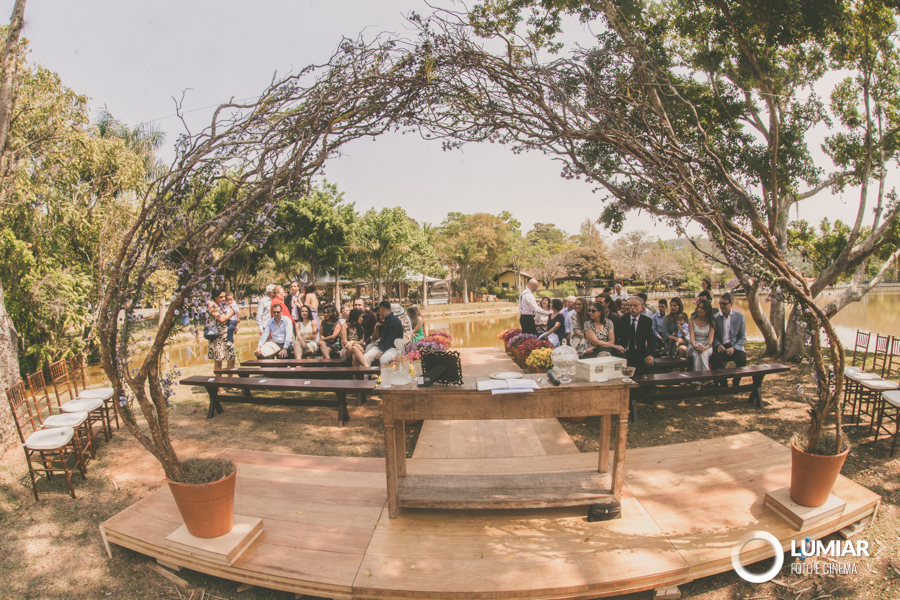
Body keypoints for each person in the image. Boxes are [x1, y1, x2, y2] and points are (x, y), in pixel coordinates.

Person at [711, 292, 748, 386]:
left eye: (724, 304)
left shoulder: (740, 317)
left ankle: (736, 382)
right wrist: (718, 344)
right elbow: (713, 336)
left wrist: (734, 348)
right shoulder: (715, 317)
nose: (722, 306)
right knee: (714, 358)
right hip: (721, 346)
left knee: (742, 359)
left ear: (731, 304)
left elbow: (743, 337)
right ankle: (723, 383)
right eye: (720, 303)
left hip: (734, 347)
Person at [206, 297, 236, 390]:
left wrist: (233, 326)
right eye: (221, 297)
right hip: (216, 337)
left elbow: (229, 320)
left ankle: (229, 383)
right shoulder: (211, 305)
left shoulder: (224, 305)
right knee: (218, 362)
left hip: (226, 337)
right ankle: (219, 386)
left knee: (232, 359)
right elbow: (221, 319)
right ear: (215, 296)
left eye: (224, 297)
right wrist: (231, 313)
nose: (223, 299)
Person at [620, 297, 657, 372]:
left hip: (640, 352)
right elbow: (617, 337)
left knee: (651, 364)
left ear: (641, 308)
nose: (632, 308)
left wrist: (651, 355)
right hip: (625, 352)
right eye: (630, 305)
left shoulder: (647, 321)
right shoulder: (622, 320)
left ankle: (648, 383)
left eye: (635, 305)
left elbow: (651, 340)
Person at [364, 301, 404, 366]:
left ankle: (386, 376)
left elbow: (391, 339)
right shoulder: (386, 320)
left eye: (379, 311)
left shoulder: (394, 320)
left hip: (394, 347)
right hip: (382, 346)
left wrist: (381, 352)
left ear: (381, 309)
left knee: (383, 360)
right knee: (366, 357)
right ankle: (369, 375)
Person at [688, 298, 716, 380]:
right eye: (699, 307)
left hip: (706, 346)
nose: (700, 310)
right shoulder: (692, 320)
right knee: (698, 353)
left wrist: (705, 347)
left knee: (701, 354)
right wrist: (695, 346)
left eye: (703, 308)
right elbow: (691, 337)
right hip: (693, 345)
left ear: (707, 310)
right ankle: (707, 379)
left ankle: (697, 382)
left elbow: (710, 340)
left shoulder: (712, 322)